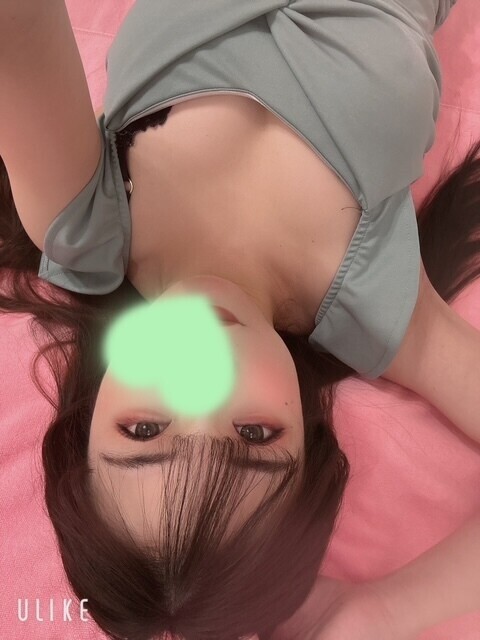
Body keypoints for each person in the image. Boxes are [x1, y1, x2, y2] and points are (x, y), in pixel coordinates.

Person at [1, 0, 480, 638]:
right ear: (311, 447)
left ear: (86, 422)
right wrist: (385, 609)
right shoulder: (380, 311)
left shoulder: (85, 225)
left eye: (143, 429)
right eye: (254, 435)